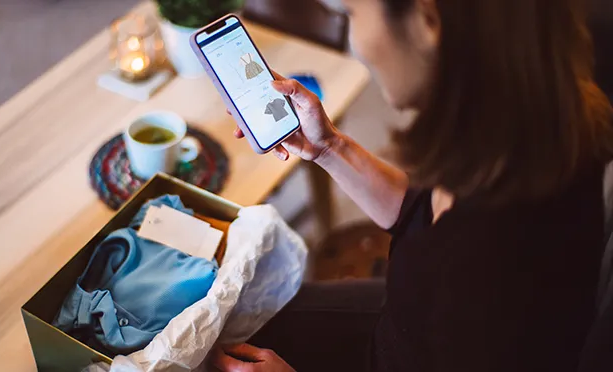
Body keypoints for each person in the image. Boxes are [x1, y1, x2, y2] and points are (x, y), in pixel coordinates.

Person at [212, 0, 613, 371]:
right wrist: (328, 147)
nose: (359, 43)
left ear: (428, 20)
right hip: (404, 324)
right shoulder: (524, 119)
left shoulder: (492, 265)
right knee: (243, 317)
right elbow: (423, 215)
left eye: (353, 13)